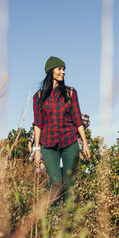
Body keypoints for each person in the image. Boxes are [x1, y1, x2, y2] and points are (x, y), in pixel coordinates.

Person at [32, 56, 90, 203]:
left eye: (64, 69)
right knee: (56, 182)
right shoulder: (38, 97)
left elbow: (77, 119)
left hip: (69, 142)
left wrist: (85, 142)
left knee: (69, 183)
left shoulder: (70, 93)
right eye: (59, 69)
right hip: (48, 145)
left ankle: (67, 219)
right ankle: (52, 216)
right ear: (51, 71)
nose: (63, 72)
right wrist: (37, 149)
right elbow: (38, 123)